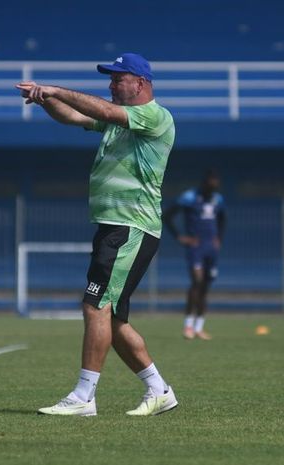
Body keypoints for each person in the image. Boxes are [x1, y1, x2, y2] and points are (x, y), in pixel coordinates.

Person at [17, 53, 177, 417]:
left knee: (95, 306)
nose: (110, 84)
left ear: (140, 82)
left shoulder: (155, 116)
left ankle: (84, 396)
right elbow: (74, 116)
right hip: (114, 226)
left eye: (117, 78)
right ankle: (159, 389)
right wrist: (46, 100)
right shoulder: (121, 123)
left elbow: (103, 112)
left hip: (131, 226)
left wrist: (56, 88)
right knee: (113, 319)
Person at [162, 170, 226, 340]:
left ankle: (199, 327)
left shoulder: (218, 199)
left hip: (211, 249)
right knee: (196, 282)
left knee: (205, 286)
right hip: (196, 247)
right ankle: (188, 326)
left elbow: (222, 219)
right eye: (210, 185)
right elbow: (167, 216)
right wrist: (179, 237)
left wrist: (219, 238)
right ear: (204, 184)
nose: (213, 189)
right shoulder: (189, 197)